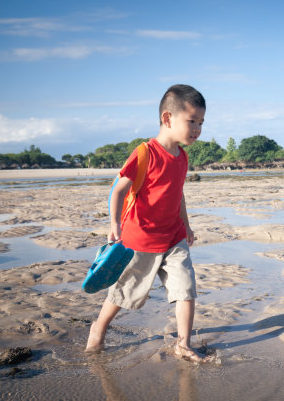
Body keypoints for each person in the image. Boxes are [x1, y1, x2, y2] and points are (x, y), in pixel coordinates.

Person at [85, 84, 208, 363]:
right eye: (192, 121)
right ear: (168, 118)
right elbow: (117, 190)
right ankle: (98, 328)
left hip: (173, 236)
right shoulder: (145, 153)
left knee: (185, 288)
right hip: (141, 239)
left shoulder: (183, 157)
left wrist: (186, 226)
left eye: (201, 122)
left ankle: (183, 344)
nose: (197, 129)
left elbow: (178, 195)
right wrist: (115, 224)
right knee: (125, 291)